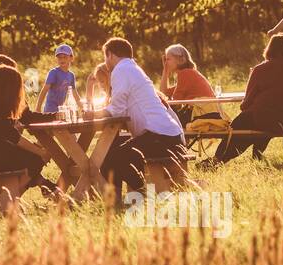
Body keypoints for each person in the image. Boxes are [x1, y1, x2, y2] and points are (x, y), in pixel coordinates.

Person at [95, 38, 188, 207]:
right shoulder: (133, 68)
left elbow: (116, 109)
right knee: (110, 150)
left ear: (110, 55)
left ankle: (141, 196)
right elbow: (123, 108)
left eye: (105, 56)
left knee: (116, 156)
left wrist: (92, 115)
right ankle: (118, 201)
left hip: (161, 136)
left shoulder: (121, 70)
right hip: (169, 134)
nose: (105, 62)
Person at [209, 35, 283, 164]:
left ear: (269, 49)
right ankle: (256, 156)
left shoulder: (260, 70)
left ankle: (219, 158)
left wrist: (247, 106)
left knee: (240, 124)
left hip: (263, 119)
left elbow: (246, 104)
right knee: (260, 117)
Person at [0, 65, 61, 194]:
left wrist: (55, 116)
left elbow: (28, 117)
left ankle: (43, 184)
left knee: (31, 156)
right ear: (9, 88)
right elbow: (13, 136)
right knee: (35, 159)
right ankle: (11, 198)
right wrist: (41, 152)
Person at [159, 44, 220, 125]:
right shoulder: (188, 72)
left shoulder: (185, 74)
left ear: (179, 59)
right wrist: (165, 71)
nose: (166, 63)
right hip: (208, 113)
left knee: (164, 120)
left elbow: (175, 103)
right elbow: (164, 92)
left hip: (203, 114)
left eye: (168, 59)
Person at [37, 44, 78, 114]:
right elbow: (44, 90)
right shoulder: (53, 73)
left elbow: (75, 93)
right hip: (50, 111)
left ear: (71, 58)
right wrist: (38, 109)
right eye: (59, 57)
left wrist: (82, 107)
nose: (62, 59)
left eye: (65, 57)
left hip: (61, 110)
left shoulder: (71, 75)